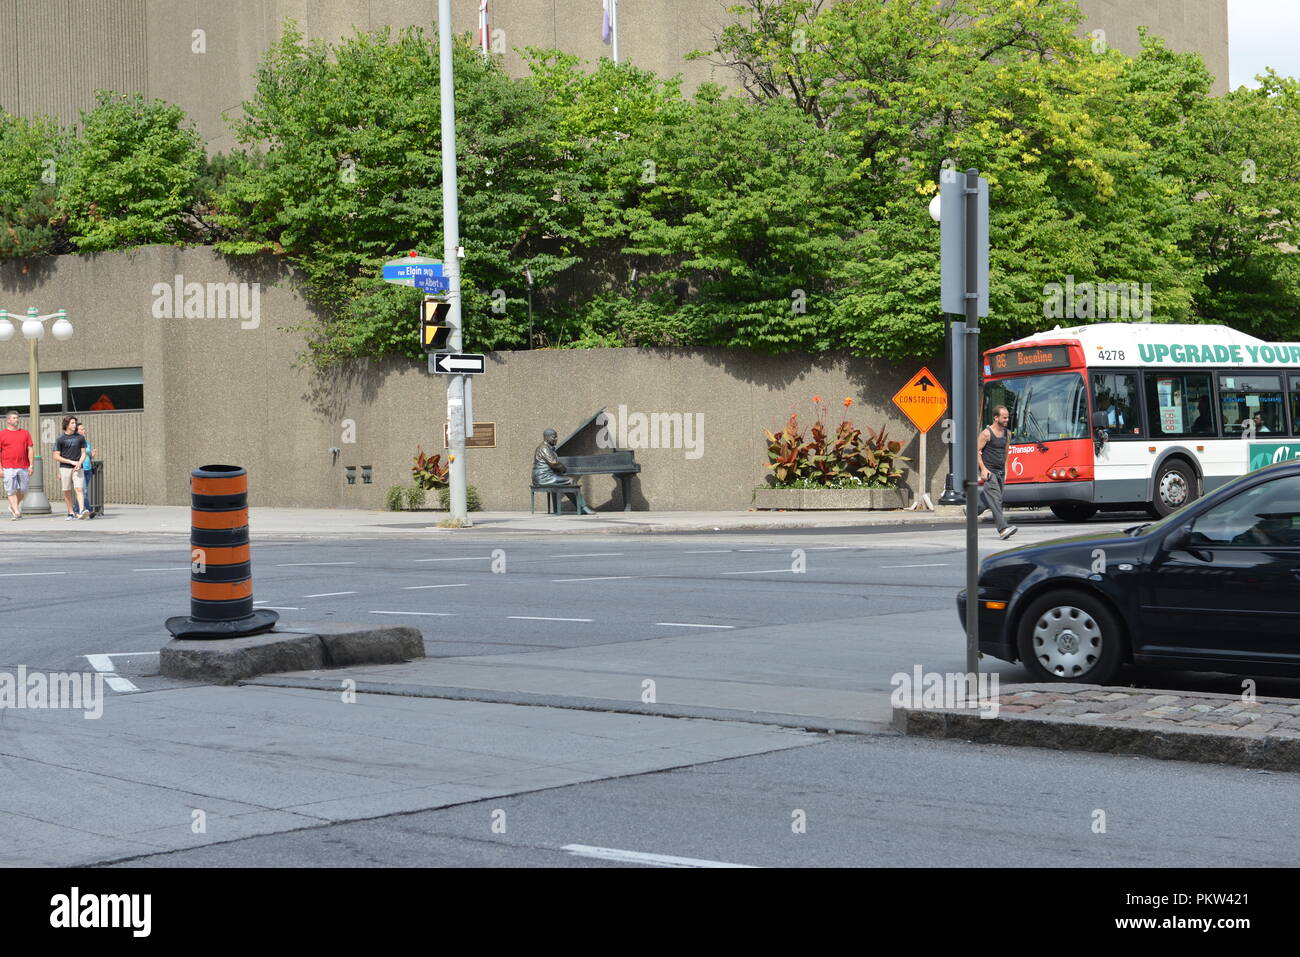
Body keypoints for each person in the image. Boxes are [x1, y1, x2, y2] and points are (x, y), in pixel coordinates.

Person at [974, 405, 1017, 540]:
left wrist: (1006, 469)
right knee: (996, 499)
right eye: (1004, 417)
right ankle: (1003, 529)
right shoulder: (986, 433)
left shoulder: (1007, 433)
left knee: (992, 499)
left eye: (1007, 417)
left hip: (1000, 471)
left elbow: (1005, 453)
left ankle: (972, 509)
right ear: (996, 417)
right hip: (989, 471)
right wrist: (983, 469)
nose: (1006, 420)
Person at [52, 415, 88, 520]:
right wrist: (70, 462)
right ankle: (71, 512)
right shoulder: (60, 439)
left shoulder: (80, 438)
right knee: (66, 491)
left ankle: (81, 510)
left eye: (75, 423)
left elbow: (83, 453)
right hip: (65, 468)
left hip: (78, 468)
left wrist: (79, 463)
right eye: (72, 423)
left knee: (79, 488)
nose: (74, 425)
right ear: (66, 424)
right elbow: (56, 456)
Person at [0, 410, 34, 521]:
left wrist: (31, 465)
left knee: (23, 489)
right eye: (14, 418)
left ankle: (12, 506)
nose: (17, 419)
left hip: (23, 466)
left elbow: (30, 449)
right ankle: (16, 511)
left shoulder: (25, 433)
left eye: (17, 418)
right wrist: (0, 468)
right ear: (8, 420)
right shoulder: (2, 434)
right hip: (8, 466)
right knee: (11, 490)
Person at [77, 422, 96, 516]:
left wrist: (92, 455)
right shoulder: (76, 442)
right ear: (77, 431)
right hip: (81, 468)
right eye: (82, 429)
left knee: (83, 491)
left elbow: (88, 455)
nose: (84, 431)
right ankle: (89, 510)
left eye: (84, 429)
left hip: (88, 468)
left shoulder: (86, 442)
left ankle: (75, 510)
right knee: (83, 491)